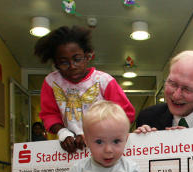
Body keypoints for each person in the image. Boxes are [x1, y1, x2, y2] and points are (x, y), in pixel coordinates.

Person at [35, 25, 135, 153]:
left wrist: (96, 134)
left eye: (77, 59)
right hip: (70, 150)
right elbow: (49, 114)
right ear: (56, 64)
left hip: (104, 147)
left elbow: (126, 113)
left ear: (87, 56)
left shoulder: (103, 81)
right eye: (64, 62)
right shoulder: (51, 82)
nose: (72, 66)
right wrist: (62, 132)